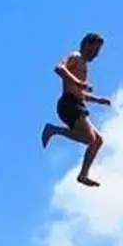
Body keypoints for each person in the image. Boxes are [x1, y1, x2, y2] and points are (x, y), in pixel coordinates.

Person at [40, 32, 111, 187]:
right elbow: (59, 68)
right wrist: (78, 81)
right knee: (91, 139)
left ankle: (83, 175)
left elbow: (79, 92)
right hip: (68, 104)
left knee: (97, 141)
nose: (96, 56)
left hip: (77, 103)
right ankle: (53, 130)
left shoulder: (83, 65)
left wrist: (98, 100)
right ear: (87, 45)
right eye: (95, 51)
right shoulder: (76, 57)